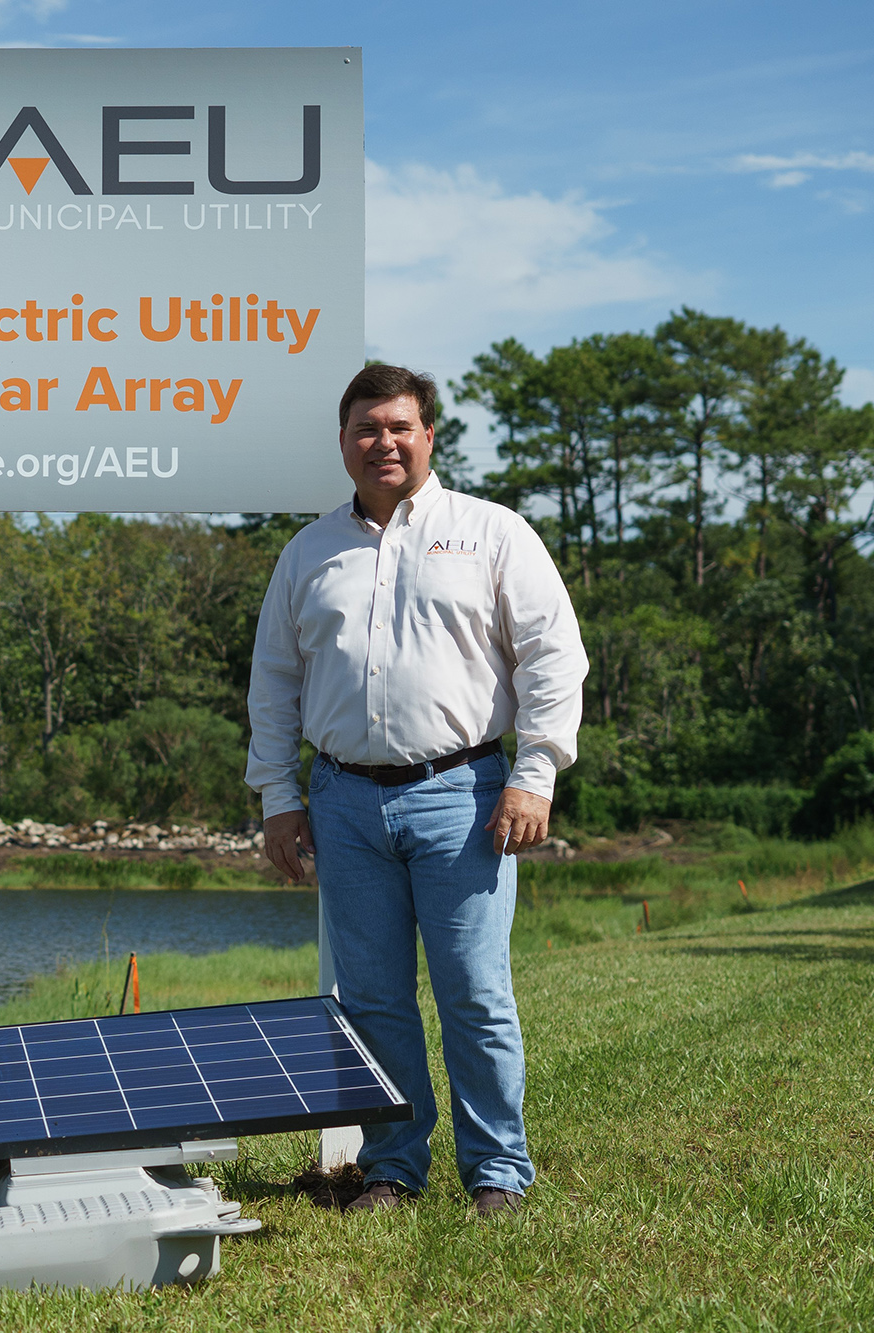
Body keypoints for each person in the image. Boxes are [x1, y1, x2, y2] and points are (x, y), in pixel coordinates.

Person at [245, 365, 587, 1218]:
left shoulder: (492, 533)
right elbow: (274, 682)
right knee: (371, 1001)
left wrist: (534, 772)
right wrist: (276, 798)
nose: (384, 442)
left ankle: (498, 1173)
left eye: (401, 426)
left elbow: (553, 656)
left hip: (465, 793)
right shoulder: (308, 552)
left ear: (430, 434)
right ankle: (393, 1167)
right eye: (367, 427)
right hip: (342, 801)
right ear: (343, 440)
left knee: (474, 991)